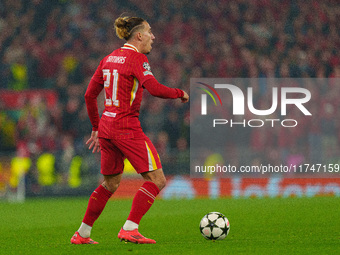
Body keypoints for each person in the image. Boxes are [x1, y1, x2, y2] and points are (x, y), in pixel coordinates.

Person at [70, 16, 189, 245]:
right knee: (157, 179)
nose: (153, 37)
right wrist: (179, 92)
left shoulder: (108, 58)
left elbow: (89, 95)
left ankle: (82, 233)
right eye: (150, 32)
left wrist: (96, 127)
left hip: (106, 127)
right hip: (126, 128)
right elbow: (154, 88)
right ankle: (130, 228)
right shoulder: (137, 58)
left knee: (110, 184)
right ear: (139, 35)